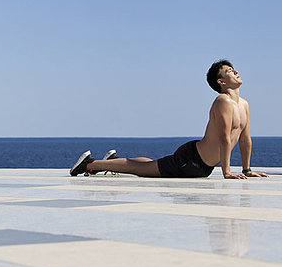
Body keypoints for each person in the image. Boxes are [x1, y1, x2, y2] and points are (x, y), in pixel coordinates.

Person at [69, 60, 269, 179]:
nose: (235, 71)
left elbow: (245, 139)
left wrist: (247, 169)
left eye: (234, 68)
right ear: (221, 82)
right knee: (142, 170)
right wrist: (226, 172)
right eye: (229, 71)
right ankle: (90, 164)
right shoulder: (222, 101)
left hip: (203, 166)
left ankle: (112, 161)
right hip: (191, 159)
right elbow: (225, 138)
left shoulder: (244, 104)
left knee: (151, 166)